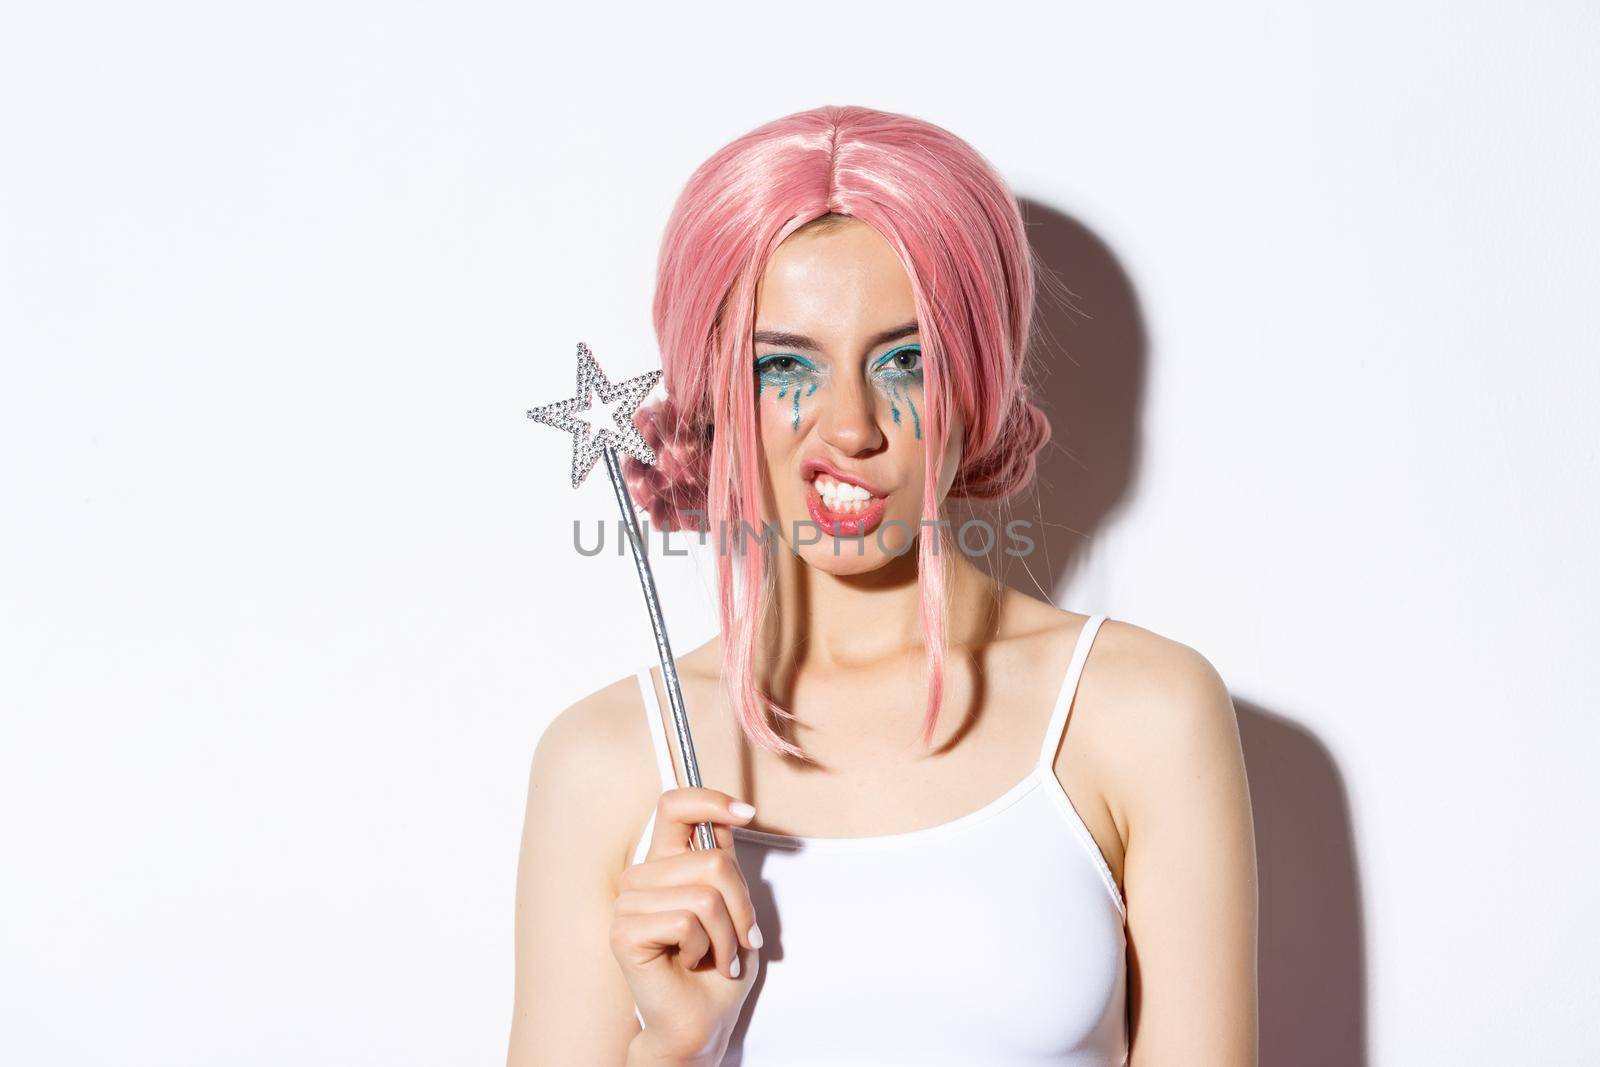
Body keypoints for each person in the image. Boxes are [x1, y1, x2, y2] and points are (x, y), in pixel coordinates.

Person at [508, 105, 1258, 1067]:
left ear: (976, 378)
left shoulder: (1141, 714)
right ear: (713, 397)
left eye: (906, 359)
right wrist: (670, 1045)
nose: (850, 427)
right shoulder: (605, 762)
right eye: (786, 365)